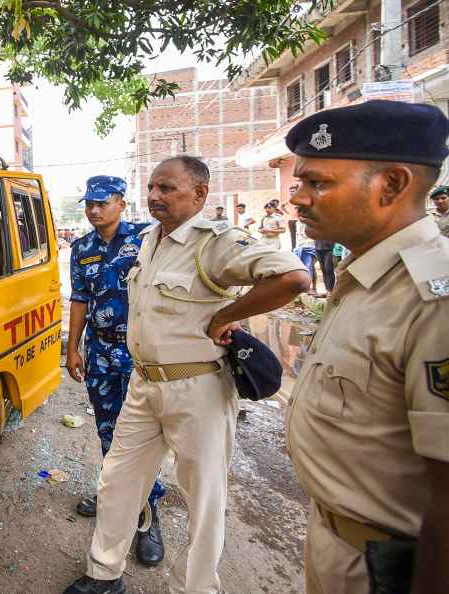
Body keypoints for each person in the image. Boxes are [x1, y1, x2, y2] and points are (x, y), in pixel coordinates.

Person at [64, 156, 309, 594]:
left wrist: (230, 315)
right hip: (143, 384)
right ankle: (104, 573)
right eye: (153, 188)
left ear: (199, 194)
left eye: (168, 188)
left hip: (196, 387)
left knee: (203, 498)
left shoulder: (215, 241)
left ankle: (194, 587)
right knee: (117, 481)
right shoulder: (148, 241)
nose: (156, 195)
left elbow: (292, 277)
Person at [285, 100, 449, 594]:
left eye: (318, 183)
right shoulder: (366, 276)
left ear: (392, 185)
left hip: (388, 568)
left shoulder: (446, 294)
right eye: (298, 183)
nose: (298, 199)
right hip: (337, 543)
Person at [66, 175, 166, 566]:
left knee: (145, 437)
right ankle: (115, 497)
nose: (93, 210)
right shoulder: (82, 248)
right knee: (109, 431)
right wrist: (72, 348)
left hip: (144, 353)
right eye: (89, 203)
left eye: (102, 203)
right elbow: (78, 299)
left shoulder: (149, 237)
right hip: (103, 353)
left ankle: (148, 514)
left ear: (122, 203)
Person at [293, 221, 318, 295]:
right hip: (301, 246)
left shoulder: (312, 221)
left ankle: (313, 288)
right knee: (304, 268)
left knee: (310, 266)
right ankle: (306, 288)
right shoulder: (297, 223)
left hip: (312, 246)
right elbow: (298, 235)